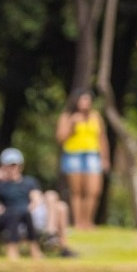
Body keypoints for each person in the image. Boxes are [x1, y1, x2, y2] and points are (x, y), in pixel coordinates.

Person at [0, 148, 76, 257]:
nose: (12, 168)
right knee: (58, 205)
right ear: (2, 166)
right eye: (9, 165)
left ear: (21, 166)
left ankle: (54, 236)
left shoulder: (29, 181)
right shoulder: (0, 185)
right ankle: (52, 237)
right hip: (15, 217)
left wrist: (30, 208)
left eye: (15, 165)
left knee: (56, 201)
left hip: (31, 212)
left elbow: (36, 198)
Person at [55, 90, 108, 230]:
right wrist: (72, 125)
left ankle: (88, 221)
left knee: (93, 190)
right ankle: (78, 222)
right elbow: (61, 138)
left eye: (88, 100)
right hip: (74, 155)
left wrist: (105, 158)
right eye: (82, 100)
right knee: (77, 191)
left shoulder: (96, 117)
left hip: (92, 155)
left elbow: (102, 138)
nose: (85, 103)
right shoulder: (67, 116)